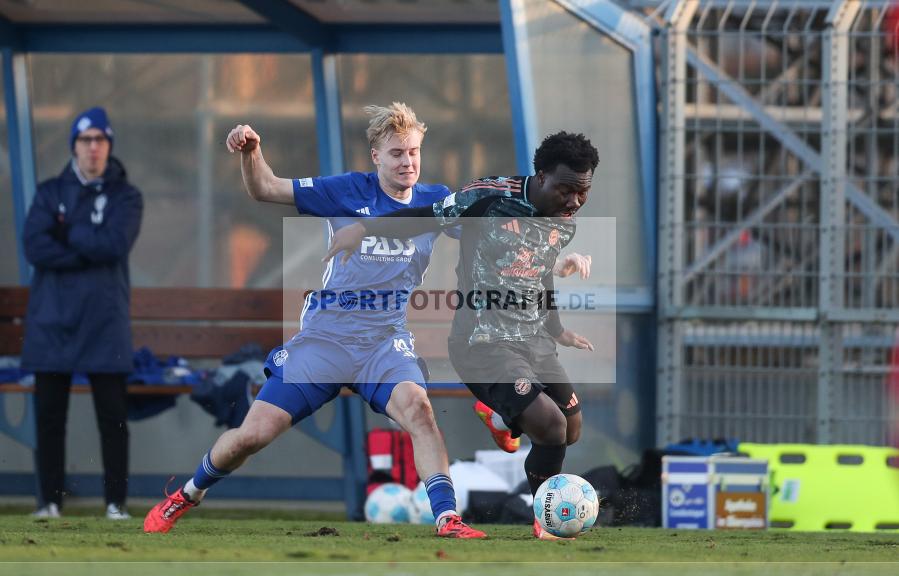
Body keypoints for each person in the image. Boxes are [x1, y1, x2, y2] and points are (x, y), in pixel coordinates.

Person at [143, 102, 487, 538]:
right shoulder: (346, 190)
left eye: (414, 152)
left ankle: (446, 518)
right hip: (325, 340)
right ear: (376, 156)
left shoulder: (434, 201)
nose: (408, 162)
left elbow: (483, 235)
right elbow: (264, 187)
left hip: (384, 342)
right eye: (397, 153)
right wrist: (252, 152)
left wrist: (549, 251)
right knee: (253, 435)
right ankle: (189, 492)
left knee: (419, 412)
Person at [324, 131, 599, 540]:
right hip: (483, 344)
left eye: (583, 192)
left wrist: (557, 329)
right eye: (566, 189)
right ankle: (546, 518)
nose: (574, 201)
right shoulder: (486, 197)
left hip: (533, 341)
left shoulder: (563, 220)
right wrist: (363, 229)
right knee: (551, 428)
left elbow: (539, 271)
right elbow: (426, 216)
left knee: (571, 429)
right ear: (541, 176)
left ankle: (502, 414)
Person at [21, 106, 143, 520]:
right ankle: (50, 502)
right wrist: (86, 247)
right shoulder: (49, 192)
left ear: (109, 145)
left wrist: (67, 230)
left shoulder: (127, 196)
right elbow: (35, 248)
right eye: (85, 140)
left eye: (100, 140)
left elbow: (113, 246)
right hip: (52, 320)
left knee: (113, 418)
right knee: (50, 417)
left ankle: (115, 504)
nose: (93, 148)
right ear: (74, 146)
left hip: (104, 322)